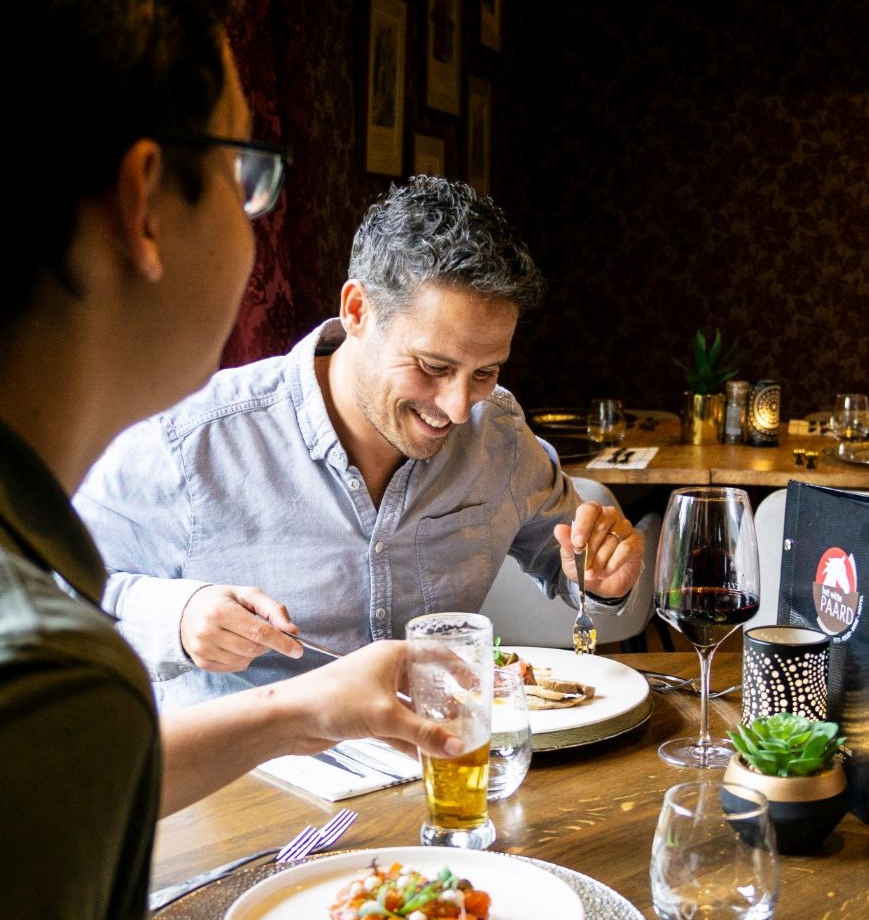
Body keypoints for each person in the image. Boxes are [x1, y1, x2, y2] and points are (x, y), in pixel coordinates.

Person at [0, 0, 571, 920]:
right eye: (245, 173)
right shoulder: (55, 668)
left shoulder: (41, 588)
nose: (255, 225)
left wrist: (310, 702)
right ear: (147, 203)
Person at [75, 176, 646, 708]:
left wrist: (602, 581)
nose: (456, 407)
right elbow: (41, 597)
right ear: (356, 310)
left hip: (441, 783)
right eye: (431, 365)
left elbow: (574, 568)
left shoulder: (496, 434)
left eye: (485, 371)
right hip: (251, 797)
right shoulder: (191, 443)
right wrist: (175, 616)